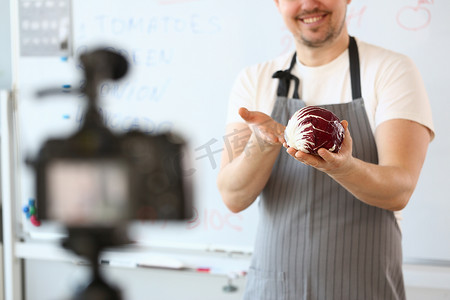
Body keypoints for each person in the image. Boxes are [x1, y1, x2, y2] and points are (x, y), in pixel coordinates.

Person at [216, 0, 435, 299]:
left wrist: (342, 167)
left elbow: (399, 190)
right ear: (278, 3)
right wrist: (264, 143)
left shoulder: (391, 70)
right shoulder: (254, 81)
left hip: (364, 288)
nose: (309, 4)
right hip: (275, 289)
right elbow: (232, 196)